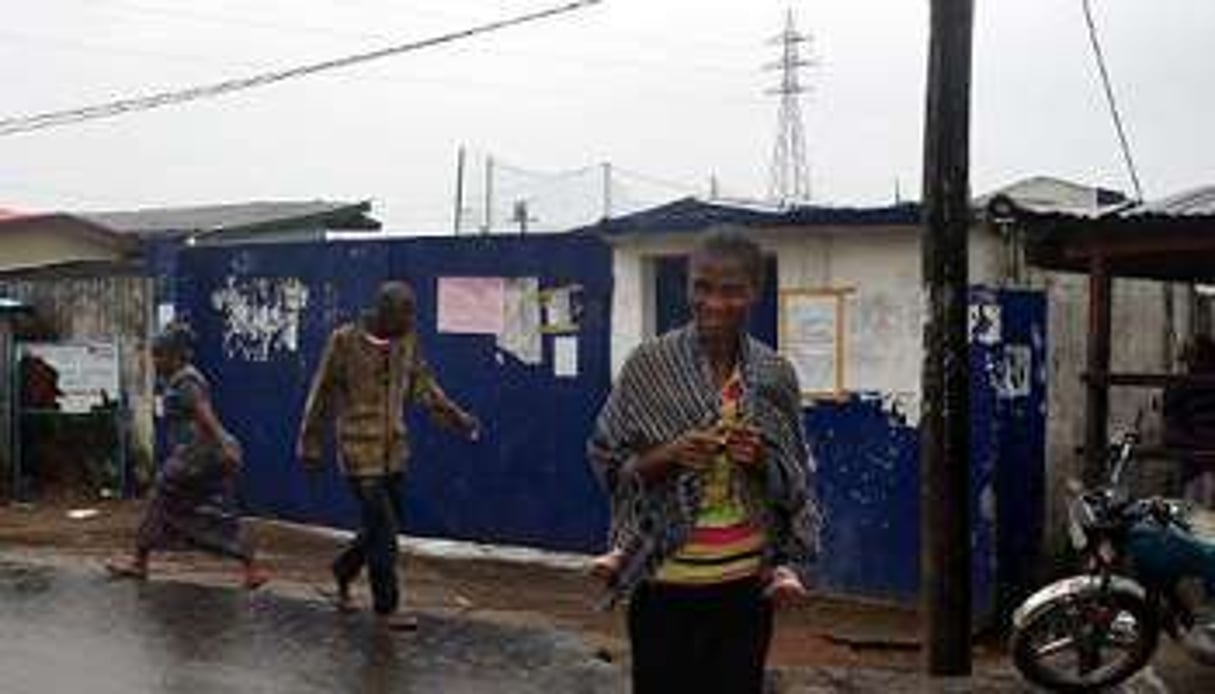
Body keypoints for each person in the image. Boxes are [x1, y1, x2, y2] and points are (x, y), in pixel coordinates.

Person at [588, 228, 820, 694]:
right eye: (702, 287)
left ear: (754, 290)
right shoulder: (648, 365)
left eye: (731, 290)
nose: (714, 302)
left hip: (744, 588)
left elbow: (795, 476)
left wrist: (759, 461)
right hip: (663, 582)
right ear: (688, 285)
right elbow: (607, 459)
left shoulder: (774, 374)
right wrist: (666, 457)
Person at [297, 281, 480, 630]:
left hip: (394, 451)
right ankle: (386, 607)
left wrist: (457, 417)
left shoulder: (407, 342)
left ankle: (344, 568)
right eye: (404, 312)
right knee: (384, 531)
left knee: (382, 524)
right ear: (383, 312)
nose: (411, 320)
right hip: (358, 450)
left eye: (412, 312)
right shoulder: (344, 341)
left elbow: (424, 386)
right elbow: (321, 392)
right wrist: (309, 442)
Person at [106, 323, 268, 589]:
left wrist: (224, 444)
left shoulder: (186, 381)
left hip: (198, 455)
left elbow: (204, 414)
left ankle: (139, 562)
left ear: (175, 356)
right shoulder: (179, 378)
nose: (155, 361)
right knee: (217, 509)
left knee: (161, 498)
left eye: (159, 356)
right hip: (202, 455)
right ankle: (251, 568)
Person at [1164, 336, 1215, 507]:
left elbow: (1171, 434)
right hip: (1196, 466)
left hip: (1197, 462)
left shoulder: (1180, 387)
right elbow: (1171, 435)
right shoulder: (1180, 388)